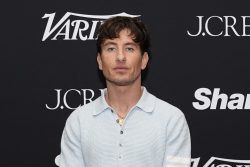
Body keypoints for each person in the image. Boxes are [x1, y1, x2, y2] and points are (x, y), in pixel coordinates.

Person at [59, 16, 191, 167]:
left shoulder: (172, 119)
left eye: (129, 48)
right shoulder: (78, 121)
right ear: (100, 61)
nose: (120, 57)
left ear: (144, 60)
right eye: (111, 48)